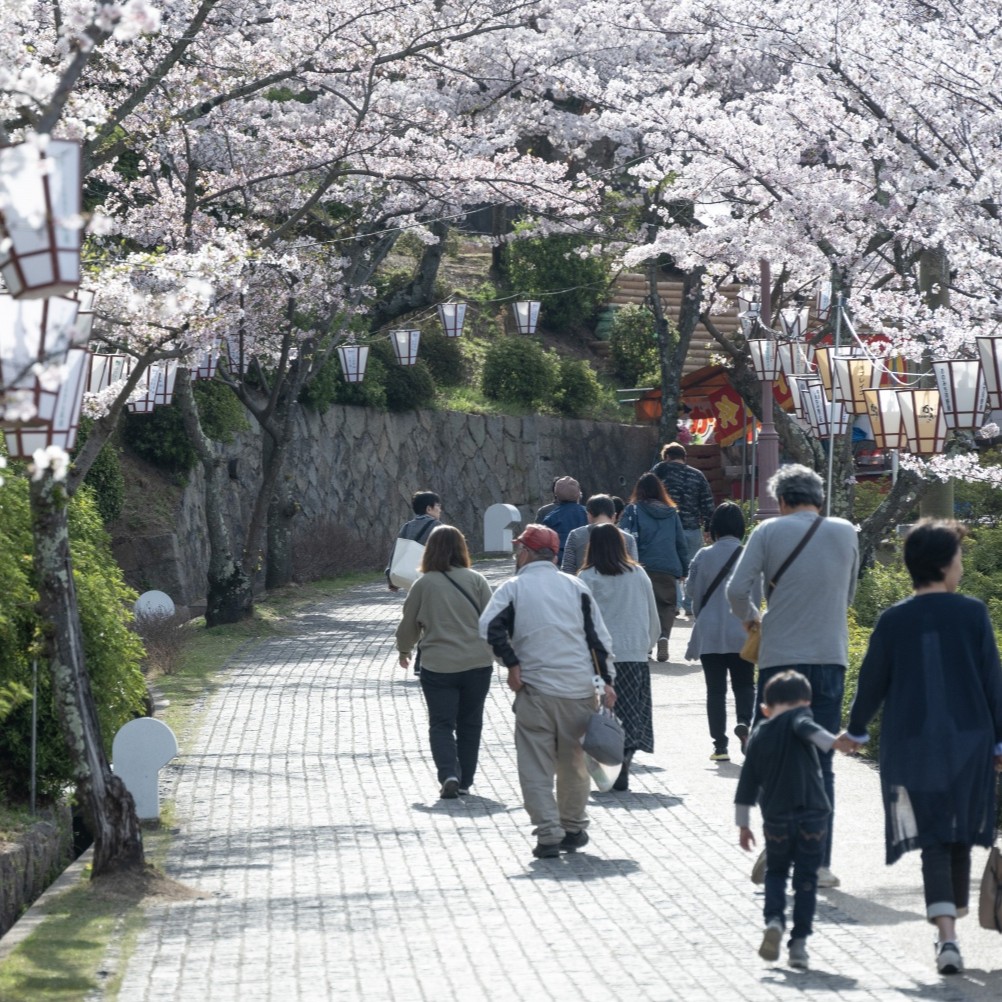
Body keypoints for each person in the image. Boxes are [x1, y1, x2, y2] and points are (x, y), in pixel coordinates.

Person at [842, 520, 1002, 976]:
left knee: (934, 835)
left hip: (913, 744)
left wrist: (855, 731)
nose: (962, 564)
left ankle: (946, 933)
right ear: (946, 564)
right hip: (969, 742)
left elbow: (872, 682)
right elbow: (993, 681)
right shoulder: (972, 614)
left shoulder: (894, 618)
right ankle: (948, 919)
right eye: (958, 556)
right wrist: (1000, 738)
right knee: (955, 836)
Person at [726, 463, 858, 889]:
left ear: (781, 501)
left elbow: (736, 589)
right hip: (830, 657)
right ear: (819, 499)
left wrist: (751, 620)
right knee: (822, 762)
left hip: (782, 661)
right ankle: (817, 863)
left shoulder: (768, 532)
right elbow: (850, 593)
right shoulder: (846, 532)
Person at [479, 524, 616, 859]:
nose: (516, 555)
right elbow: (597, 640)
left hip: (535, 691)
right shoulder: (576, 587)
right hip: (580, 691)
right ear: (552, 554)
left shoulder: (513, 588)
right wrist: (606, 682)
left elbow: (488, 627)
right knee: (575, 766)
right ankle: (572, 827)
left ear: (526, 553)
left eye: (518, 550)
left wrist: (511, 663)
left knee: (535, 768)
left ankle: (548, 834)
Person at [736, 671, 845, 972]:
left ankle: (773, 921)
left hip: (776, 819)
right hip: (813, 816)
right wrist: (835, 743)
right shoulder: (800, 719)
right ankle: (799, 946)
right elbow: (809, 729)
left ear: (765, 709)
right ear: (807, 703)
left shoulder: (758, 736)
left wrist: (744, 825)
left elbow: (746, 785)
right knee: (806, 881)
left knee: (776, 874)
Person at [396, 525, 495, 800]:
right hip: (477, 663)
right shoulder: (477, 580)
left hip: (438, 665)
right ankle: (466, 781)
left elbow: (409, 622)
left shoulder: (423, 583)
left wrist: (404, 650)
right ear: (462, 548)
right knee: (470, 723)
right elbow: (492, 620)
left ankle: (449, 773)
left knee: (441, 724)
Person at [578, 523, 660, 791]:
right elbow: (652, 615)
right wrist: (647, 643)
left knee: (601, 713)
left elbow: (580, 621)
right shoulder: (638, 574)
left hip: (599, 659)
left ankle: (606, 765)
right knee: (632, 713)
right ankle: (624, 757)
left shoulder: (587, 577)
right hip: (634, 654)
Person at [685, 502, 758, 762]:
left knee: (715, 691)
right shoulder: (751, 555)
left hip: (710, 632)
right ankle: (744, 724)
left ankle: (720, 746)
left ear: (714, 528)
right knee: (744, 684)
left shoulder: (702, 556)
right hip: (742, 630)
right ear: (740, 528)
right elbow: (757, 595)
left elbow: (692, 592)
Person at [619, 472, 689, 663]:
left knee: (644, 607)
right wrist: (684, 569)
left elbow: (623, 537)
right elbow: (680, 542)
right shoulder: (671, 513)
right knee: (666, 605)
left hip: (642, 565)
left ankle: (647, 647)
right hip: (668, 564)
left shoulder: (633, 510)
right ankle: (664, 637)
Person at [651, 443, 715, 617]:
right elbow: (708, 505)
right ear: (684, 457)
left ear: (666, 457)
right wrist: (708, 528)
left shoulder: (660, 471)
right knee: (694, 567)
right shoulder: (697, 475)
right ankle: (689, 604)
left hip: (667, 529)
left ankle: (675, 603)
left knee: (671, 568)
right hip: (692, 527)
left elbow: (647, 492)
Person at [561, 494, 638, 576]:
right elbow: (634, 571)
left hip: (584, 586)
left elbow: (567, 570)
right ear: (614, 516)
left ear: (589, 515)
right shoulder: (628, 539)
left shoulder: (576, 535)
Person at [386, 490, 442, 593]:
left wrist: (391, 579)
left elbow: (395, 553)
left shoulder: (407, 527)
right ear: (429, 509)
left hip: (412, 579)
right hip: (433, 579)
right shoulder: (438, 527)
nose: (440, 510)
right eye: (438, 506)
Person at [541, 476, 588, 565]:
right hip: (586, 562)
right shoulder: (588, 513)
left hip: (560, 564)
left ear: (556, 496)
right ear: (579, 494)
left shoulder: (550, 517)